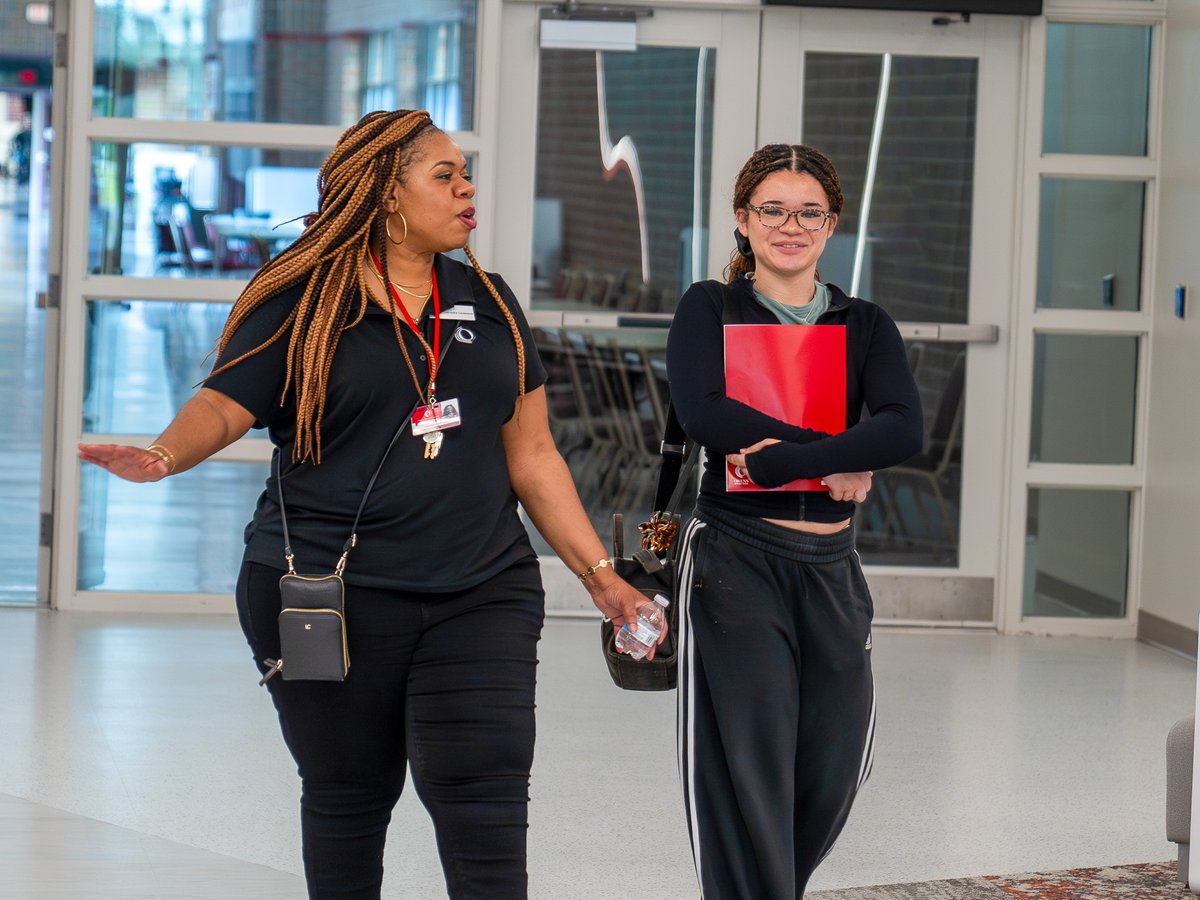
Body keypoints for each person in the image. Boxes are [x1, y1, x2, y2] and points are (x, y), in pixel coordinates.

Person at [78, 108, 658, 900]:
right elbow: (224, 403)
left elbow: (533, 454)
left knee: (484, 803)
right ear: (386, 193)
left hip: (480, 588)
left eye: (466, 173)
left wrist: (601, 576)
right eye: (445, 175)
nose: (466, 189)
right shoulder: (303, 299)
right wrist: (163, 453)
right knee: (349, 798)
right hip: (329, 596)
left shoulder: (488, 301)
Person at [665, 143, 924, 898]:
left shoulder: (863, 323)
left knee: (833, 764)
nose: (791, 225)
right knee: (750, 766)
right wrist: (836, 457)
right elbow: (705, 412)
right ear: (743, 221)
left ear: (832, 223)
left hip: (832, 568)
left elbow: (905, 427)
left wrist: (781, 457)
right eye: (772, 209)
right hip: (736, 564)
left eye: (809, 212)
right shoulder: (709, 308)